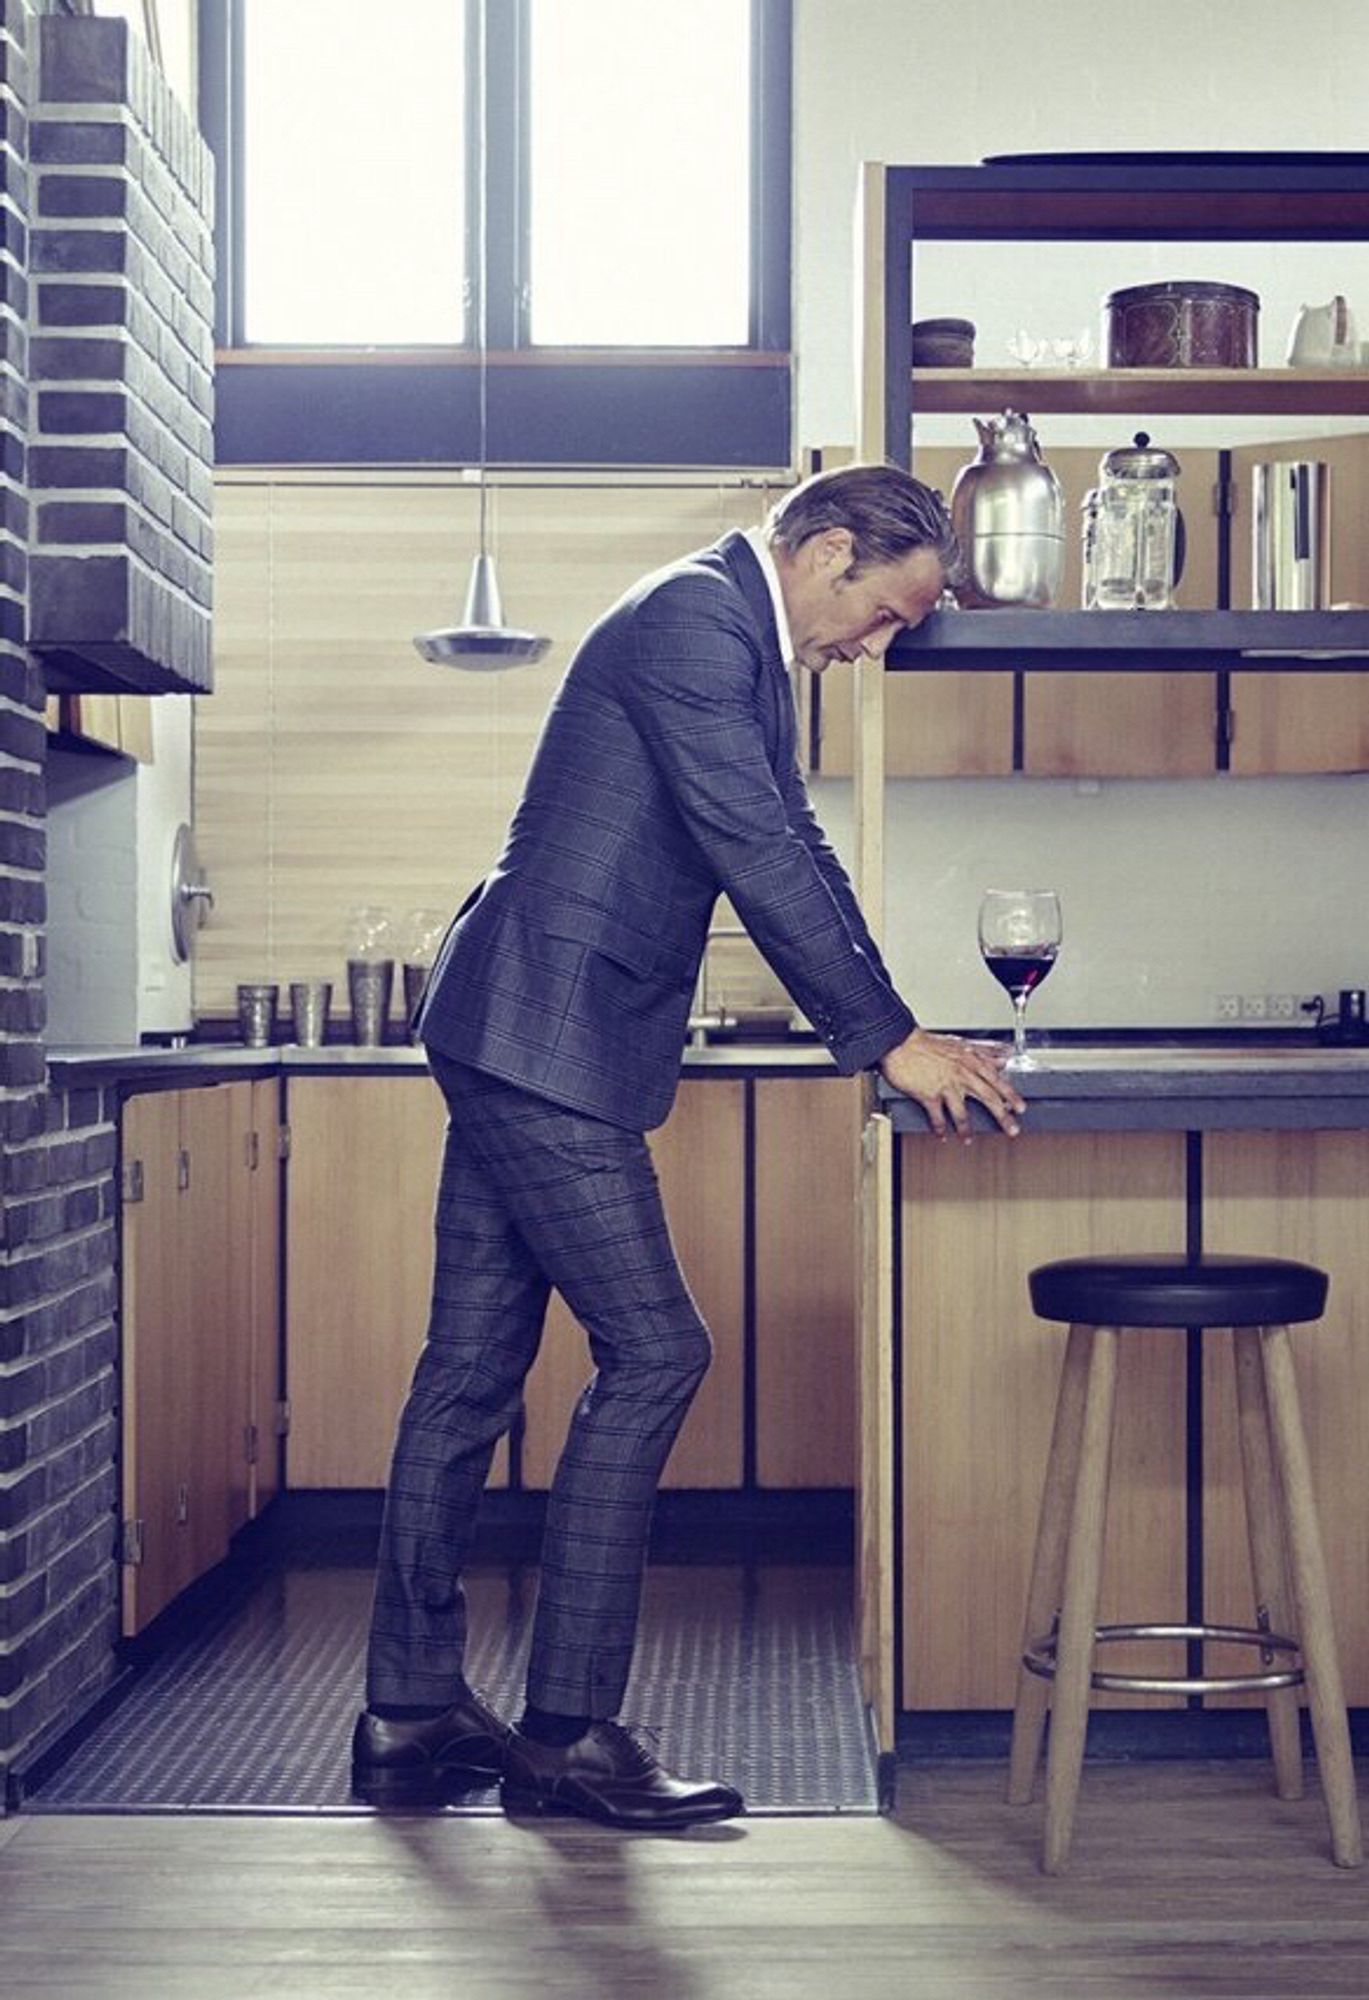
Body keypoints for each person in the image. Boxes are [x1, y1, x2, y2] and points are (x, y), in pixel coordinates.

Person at [351, 462, 1026, 1829]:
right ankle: (564, 1735)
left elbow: (794, 845)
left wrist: (886, 1015)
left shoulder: (721, 623)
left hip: (524, 1022)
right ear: (828, 550)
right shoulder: (696, 622)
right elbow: (755, 841)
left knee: (470, 1370)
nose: (881, 642)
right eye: (885, 613)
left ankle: (408, 1714)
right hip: (547, 1029)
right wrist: (882, 1037)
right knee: (657, 1350)